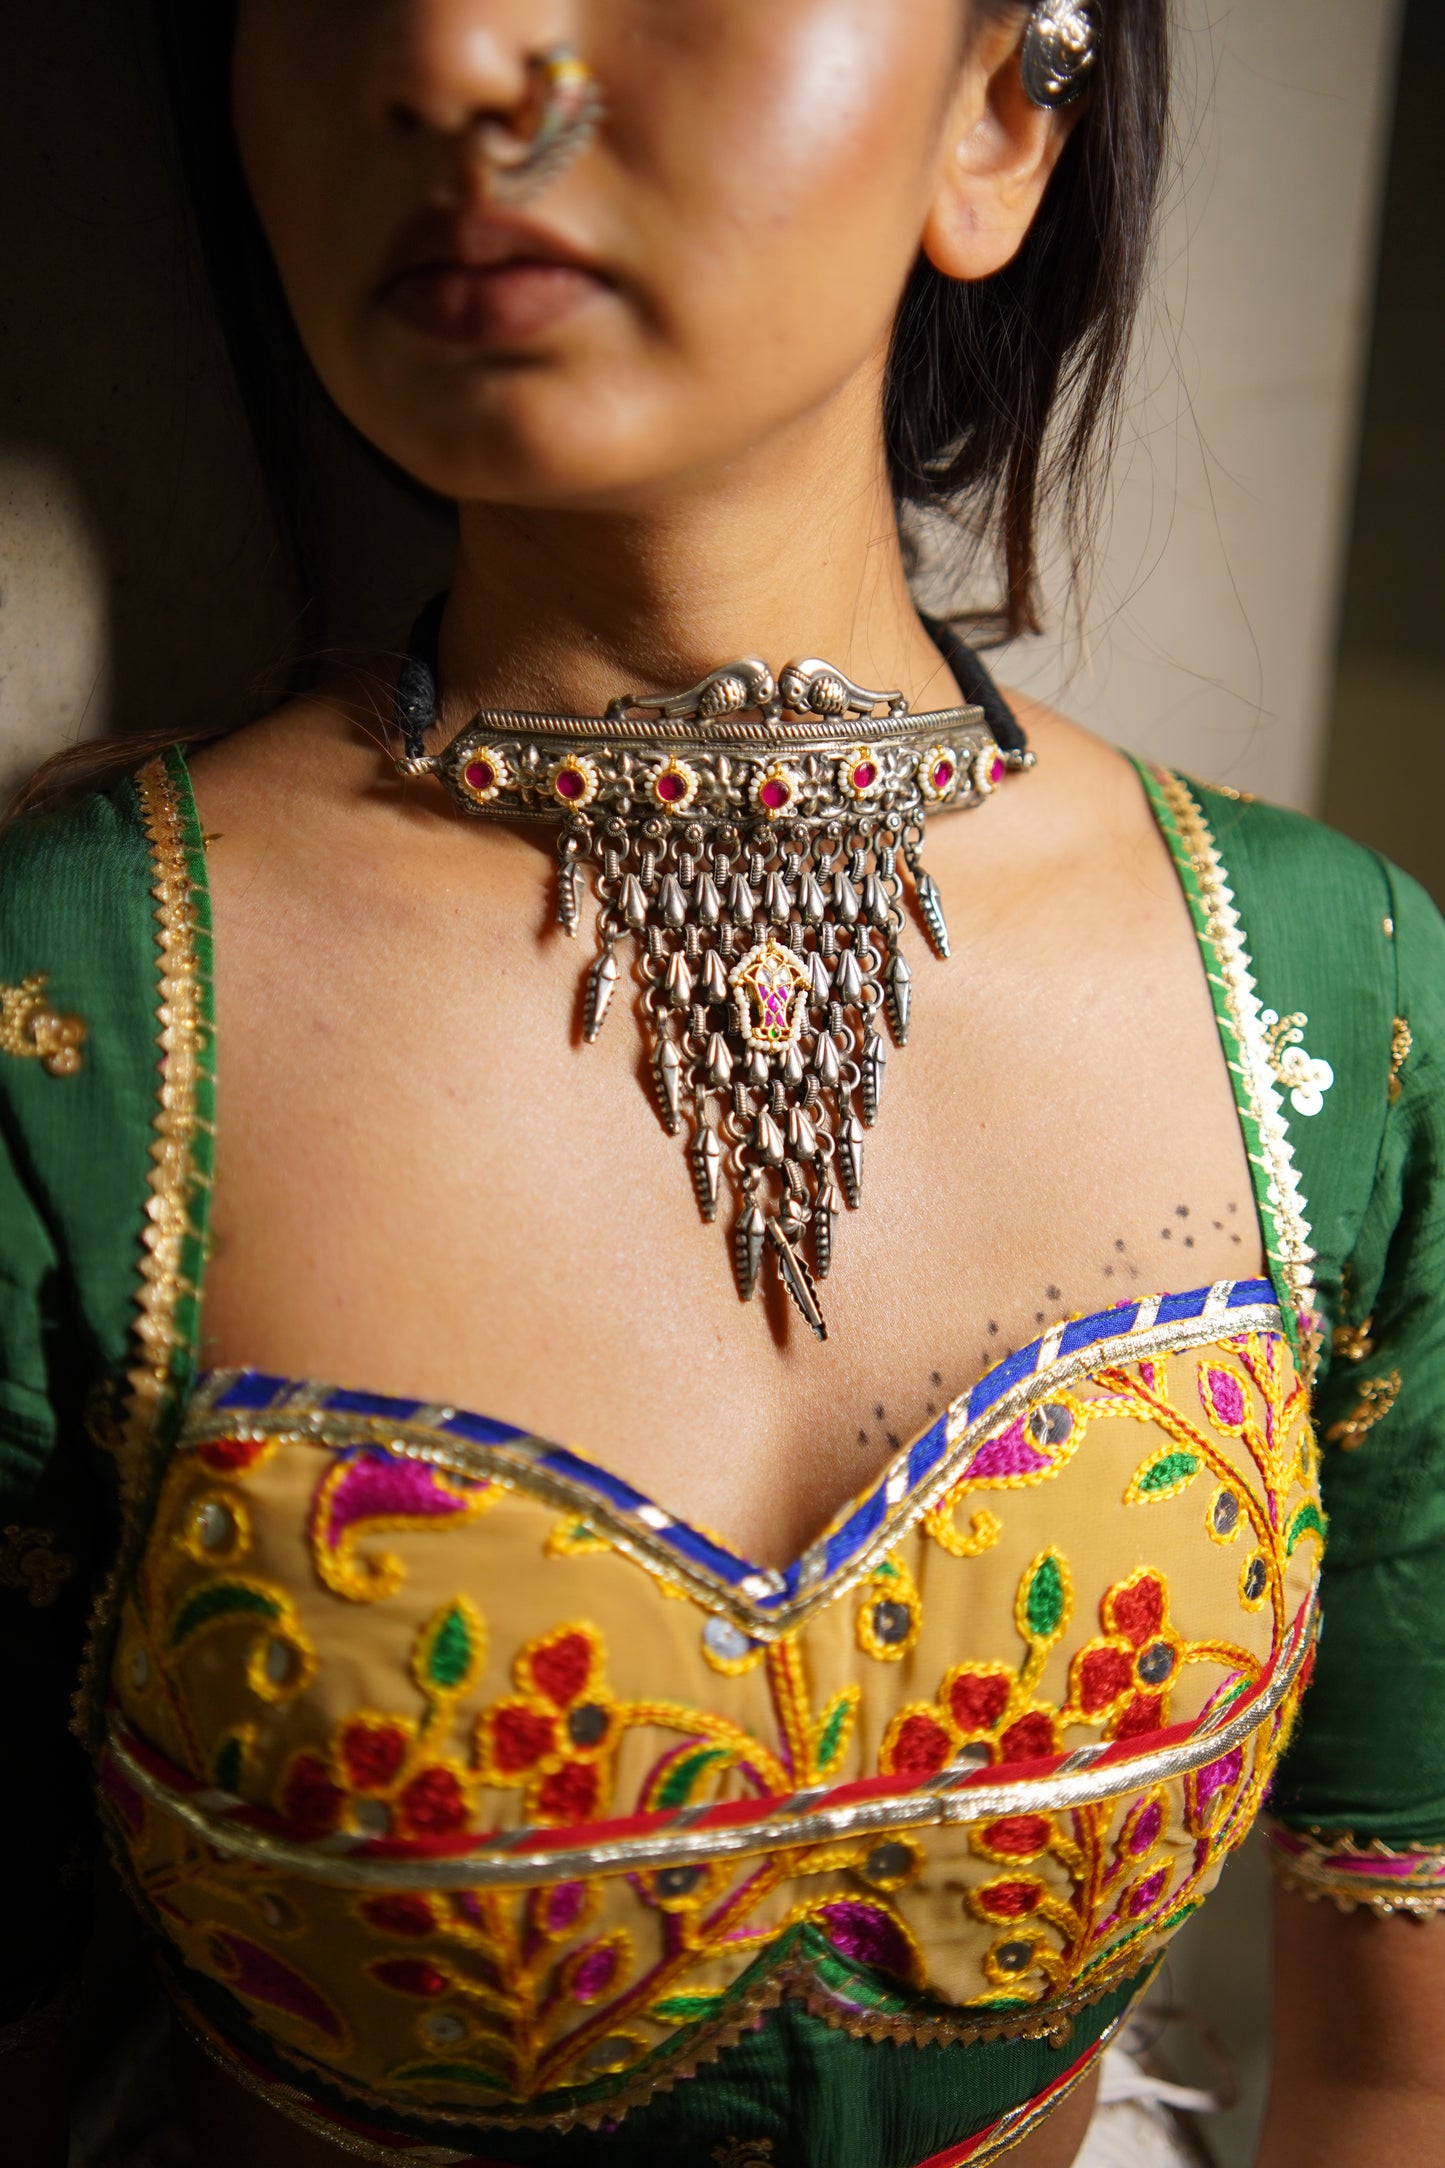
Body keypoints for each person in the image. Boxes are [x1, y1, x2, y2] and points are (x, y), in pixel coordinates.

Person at [3, 5, 1443, 2164]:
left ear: (999, 105)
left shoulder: (1345, 1005)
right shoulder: (75, 1015)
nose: (455, 56)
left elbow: (1400, 2056)